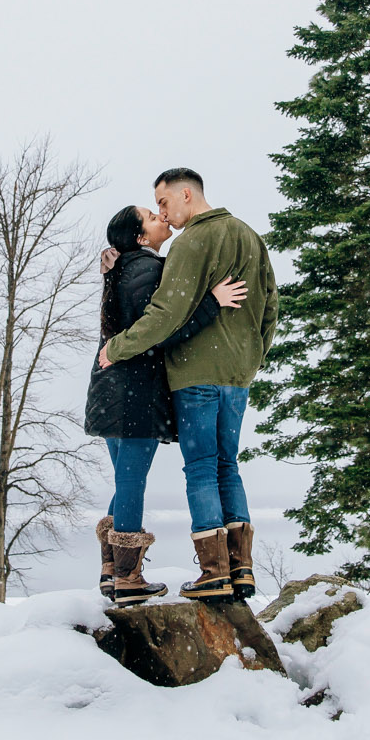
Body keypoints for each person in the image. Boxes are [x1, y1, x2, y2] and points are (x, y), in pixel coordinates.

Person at [98, 168, 277, 601]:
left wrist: (117, 347)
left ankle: (212, 573)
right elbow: (271, 305)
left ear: (184, 194)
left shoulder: (191, 242)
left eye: (162, 203)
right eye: (154, 209)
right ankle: (241, 568)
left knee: (200, 468)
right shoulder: (251, 237)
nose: (162, 212)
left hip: (195, 373)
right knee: (227, 465)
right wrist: (253, 357)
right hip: (237, 376)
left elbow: (164, 315)